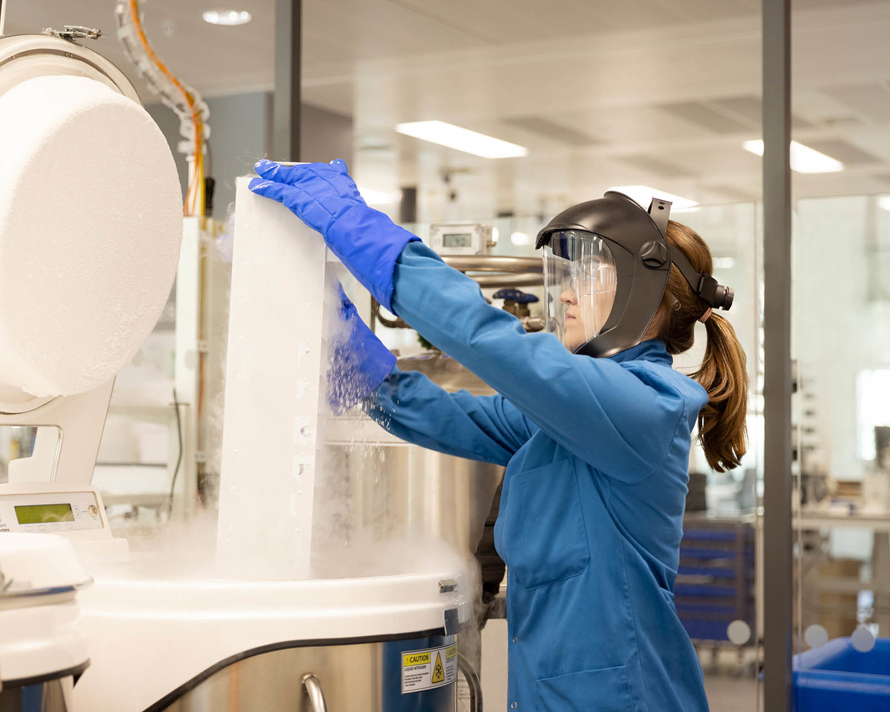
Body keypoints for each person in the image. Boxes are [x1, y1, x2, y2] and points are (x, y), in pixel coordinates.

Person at [250, 159, 748, 712]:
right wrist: (353, 358)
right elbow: (453, 418)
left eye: (590, 274)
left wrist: (361, 232)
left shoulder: (643, 406)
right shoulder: (573, 415)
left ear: (641, 291)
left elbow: (488, 339)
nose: (568, 295)